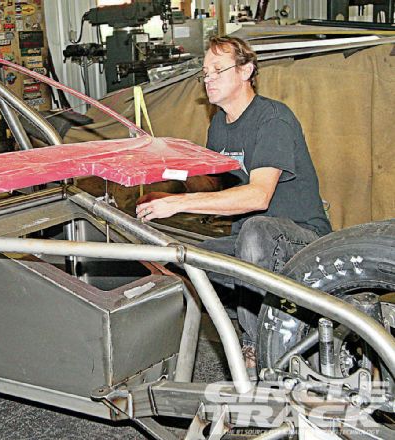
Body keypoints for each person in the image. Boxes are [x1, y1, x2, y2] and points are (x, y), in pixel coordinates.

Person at [135, 36, 332, 367]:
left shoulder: (273, 119)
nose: (208, 78)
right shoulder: (218, 126)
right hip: (249, 243)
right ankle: (247, 323)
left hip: (300, 237)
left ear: (246, 70)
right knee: (177, 255)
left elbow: (257, 196)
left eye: (217, 69)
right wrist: (170, 173)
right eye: (204, 73)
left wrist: (178, 205)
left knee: (255, 230)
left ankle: (256, 347)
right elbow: (212, 185)